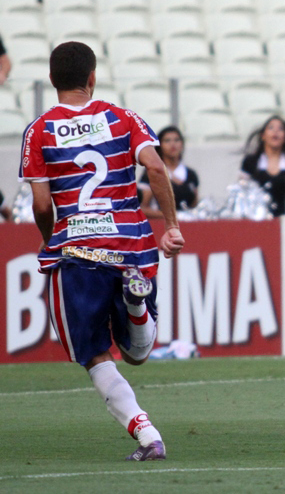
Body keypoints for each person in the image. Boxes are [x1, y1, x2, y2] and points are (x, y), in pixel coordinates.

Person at [18, 41, 184, 461]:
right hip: (130, 244)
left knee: (94, 353)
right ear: (92, 78)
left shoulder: (39, 130)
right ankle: (135, 305)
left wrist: (50, 238)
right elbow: (156, 167)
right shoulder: (123, 117)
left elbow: (41, 205)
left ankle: (147, 434)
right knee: (138, 354)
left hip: (78, 250)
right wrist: (172, 226)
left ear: (52, 79)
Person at [241, 115, 285, 216]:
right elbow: (242, 194)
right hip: (255, 219)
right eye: (271, 128)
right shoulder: (251, 162)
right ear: (263, 136)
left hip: (281, 219)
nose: (275, 131)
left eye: (280, 129)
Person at [138, 126, 199, 218]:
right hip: (162, 223)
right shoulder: (152, 173)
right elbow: (142, 208)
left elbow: (194, 206)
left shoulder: (191, 174)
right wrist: (175, 216)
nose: (172, 144)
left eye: (176, 140)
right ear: (160, 145)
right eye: (167, 141)